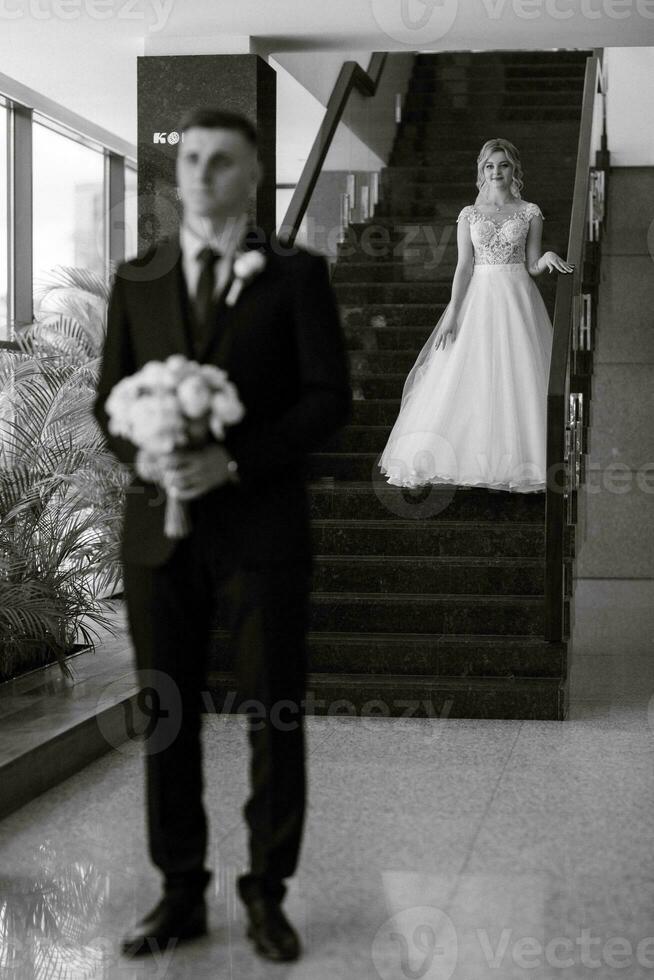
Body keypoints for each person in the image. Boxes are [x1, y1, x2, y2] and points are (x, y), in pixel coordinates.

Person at [93, 107, 352, 963]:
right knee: (166, 717)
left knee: (273, 712)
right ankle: (179, 893)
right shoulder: (137, 280)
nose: (201, 173)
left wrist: (235, 464)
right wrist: (153, 450)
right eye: (192, 159)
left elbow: (328, 401)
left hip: (263, 533)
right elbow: (110, 403)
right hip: (157, 535)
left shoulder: (296, 276)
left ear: (250, 175)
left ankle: (268, 895)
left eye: (221, 161)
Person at [378, 137, 574, 493]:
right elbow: (464, 267)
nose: (496, 172)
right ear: (482, 171)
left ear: (514, 169)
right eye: (489, 165)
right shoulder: (469, 215)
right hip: (478, 298)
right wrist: (453, 313)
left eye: (503, 165)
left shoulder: (529, 211)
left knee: (520, 375)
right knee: (469, 374)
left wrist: (545, 258)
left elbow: (530, 264)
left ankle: (523, 464)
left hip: (516, 296)